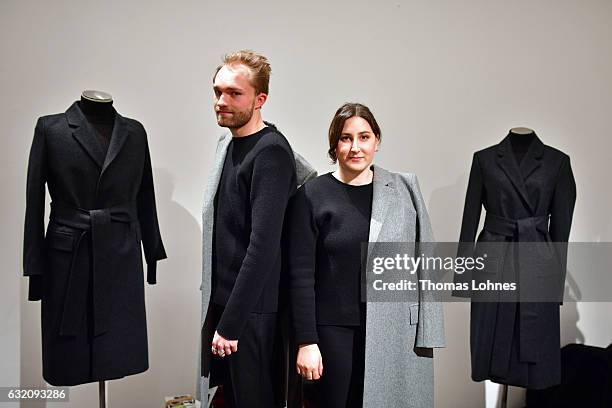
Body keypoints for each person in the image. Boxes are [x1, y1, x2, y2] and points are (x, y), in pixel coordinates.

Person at [287, 103, 445, 408]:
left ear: (377, 141)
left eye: (364, 137)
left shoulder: (403, 189)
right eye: (346, 138)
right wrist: (307, 340)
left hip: (395, 329)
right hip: (332, 332)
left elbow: (425, 261)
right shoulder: (312, 195)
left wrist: (429, 332)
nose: (355, 147)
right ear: (334, 144)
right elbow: (300, 274)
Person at [197, 50, 316, 407]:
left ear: (260, 99)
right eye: (217, 91)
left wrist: (231, 323)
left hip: (253, 313)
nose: (221, 101)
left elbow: (262, 247)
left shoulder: (270, 153)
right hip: (230, 305)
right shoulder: (230, 145)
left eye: (234, 93)